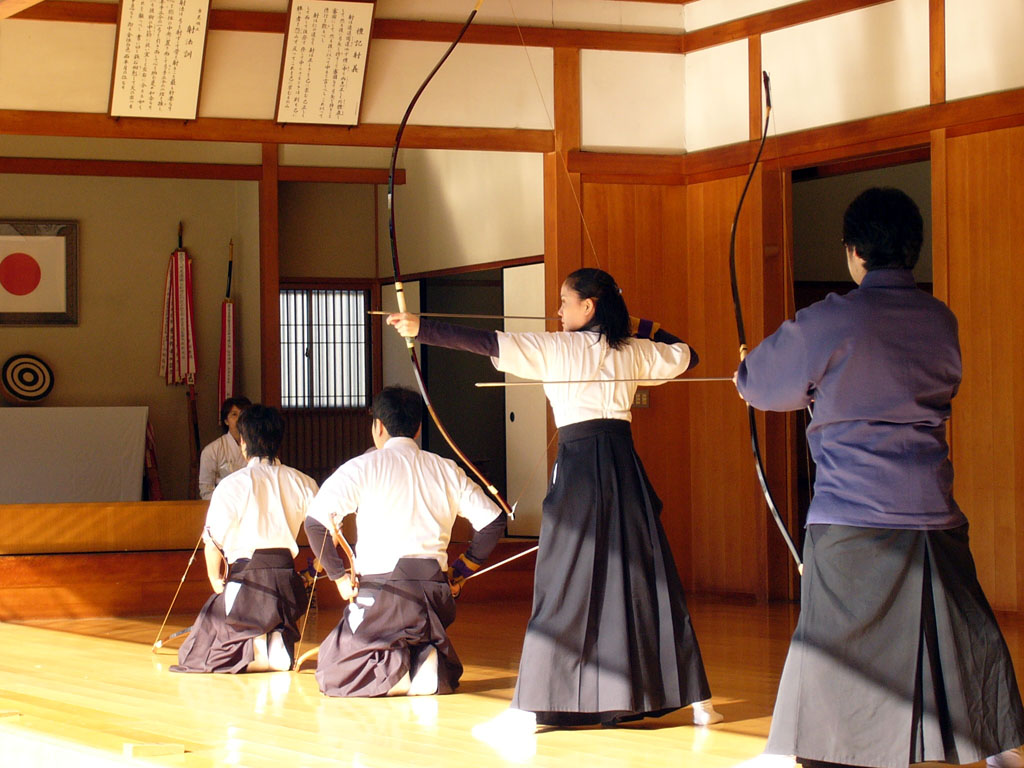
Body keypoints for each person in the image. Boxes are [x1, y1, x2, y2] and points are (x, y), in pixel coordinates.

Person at [733, 187, 1024, 768]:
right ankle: (1001, 744)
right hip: (932, 508)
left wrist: (750, 367)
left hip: (852, 513)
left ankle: (804, 748)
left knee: (830, 640)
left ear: (854, 252)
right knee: (961, 629)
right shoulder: (940, 319)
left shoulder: (833, 317)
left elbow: (758, 386)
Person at [387, 267, 720, 734]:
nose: (559, 310)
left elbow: (485, 342)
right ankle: (698, 700)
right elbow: (687, 354)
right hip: (623, 469)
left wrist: (422, 329)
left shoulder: (558, 347)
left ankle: (529, 711)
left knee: (560, 582)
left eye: (565, 301)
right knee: (647, 575)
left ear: (589, 306)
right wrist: (641, 325)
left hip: (581, 470)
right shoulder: (632, 350)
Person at [304, 386, 507, 698]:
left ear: (378, 427)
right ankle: (424, 657)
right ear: (418, 427)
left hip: (383, 592)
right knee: (413, 630)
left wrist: (339, 578)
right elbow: (494, 522)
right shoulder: (445, 468)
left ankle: (395, 672)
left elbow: (315, 523)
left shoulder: (363, 466)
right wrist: (462, 570)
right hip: (434, 593)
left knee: (332, 668)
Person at [173, 404, 318, 674]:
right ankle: (275, 639)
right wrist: (318, 566)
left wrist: (215, 579)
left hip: (247, 583)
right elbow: (327, 531)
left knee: (197, 649)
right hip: (287, 585)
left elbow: (213, 542)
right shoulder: (304, 482)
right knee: (268, 607)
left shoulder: (232, 484)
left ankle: (256, 647)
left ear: (243, 442)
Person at [198, 396, 252, 500]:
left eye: (244, 414)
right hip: (223, 503)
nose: (240, 419)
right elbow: (206, 490)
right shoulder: (212, 450)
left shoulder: (259, 448)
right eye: (234, 414)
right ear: (226, 421)